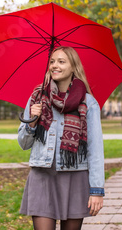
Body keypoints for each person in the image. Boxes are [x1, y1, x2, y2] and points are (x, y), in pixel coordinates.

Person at [18, 46, 105, 230]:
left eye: (61, 61)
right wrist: (32, 122)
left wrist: (97, 190)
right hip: (42, 176)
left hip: (75, 177)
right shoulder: (37, 97)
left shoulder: (88, 103)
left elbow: (95, 149)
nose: (54, 65)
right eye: (52, 61)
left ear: (73, 67)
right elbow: (23, 143)